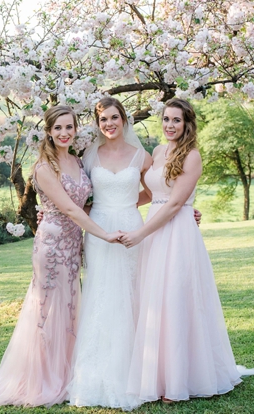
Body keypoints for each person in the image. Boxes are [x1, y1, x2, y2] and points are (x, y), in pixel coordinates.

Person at [0, 105, 125, 407]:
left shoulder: (76, 160)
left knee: (71, 306)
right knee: (49, 309)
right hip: (53, 243)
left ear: (75, 130)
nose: (64, 133)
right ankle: (45, 379)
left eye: (69, 127)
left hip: (74, 245)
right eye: (58, 128)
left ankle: (68, 372)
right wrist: (105, 234)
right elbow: (71, 209)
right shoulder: (45, 169)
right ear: (48, 131)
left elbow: (89, 202)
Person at [121, 98, 254, 403]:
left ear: (187, 124)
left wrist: (140, 232)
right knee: (154, 302)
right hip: (156, 231)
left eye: (176, 120)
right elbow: (151, 194)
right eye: (166, 119)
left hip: (176, 232)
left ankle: (178, 382)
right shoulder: (157, 152)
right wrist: (112, 206)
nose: (170, 125)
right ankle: (156, 376)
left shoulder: (192, 156)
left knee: (176, 300)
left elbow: (173, 203)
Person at [65, 97, 151, 410]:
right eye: (103, 120)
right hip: (99, 231)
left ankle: (135, 370)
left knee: (130, 293)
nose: (109, 124)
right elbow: (77, 193)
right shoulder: (89, 155)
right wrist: (94, 211)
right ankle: (92, 375)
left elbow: (156, 192)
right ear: (98, 124)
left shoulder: (142, 156)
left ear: (124, 119)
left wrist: (127, 206)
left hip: (130, 226)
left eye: (114, 118)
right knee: (101, 293)